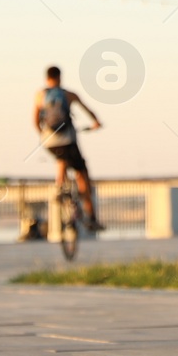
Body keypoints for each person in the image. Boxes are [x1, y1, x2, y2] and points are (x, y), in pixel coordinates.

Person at [34, 65, 104, 231]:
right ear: (60, 77)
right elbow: (89, 111)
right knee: (82, 173)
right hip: (68, 140)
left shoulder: (39, 96)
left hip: (49, 142)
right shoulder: (69, 95)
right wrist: (96, 123)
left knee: (60, 158)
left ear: (46, 78)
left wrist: (44, 135)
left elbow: (35, 121)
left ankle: (60, 186)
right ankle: (91, 216)